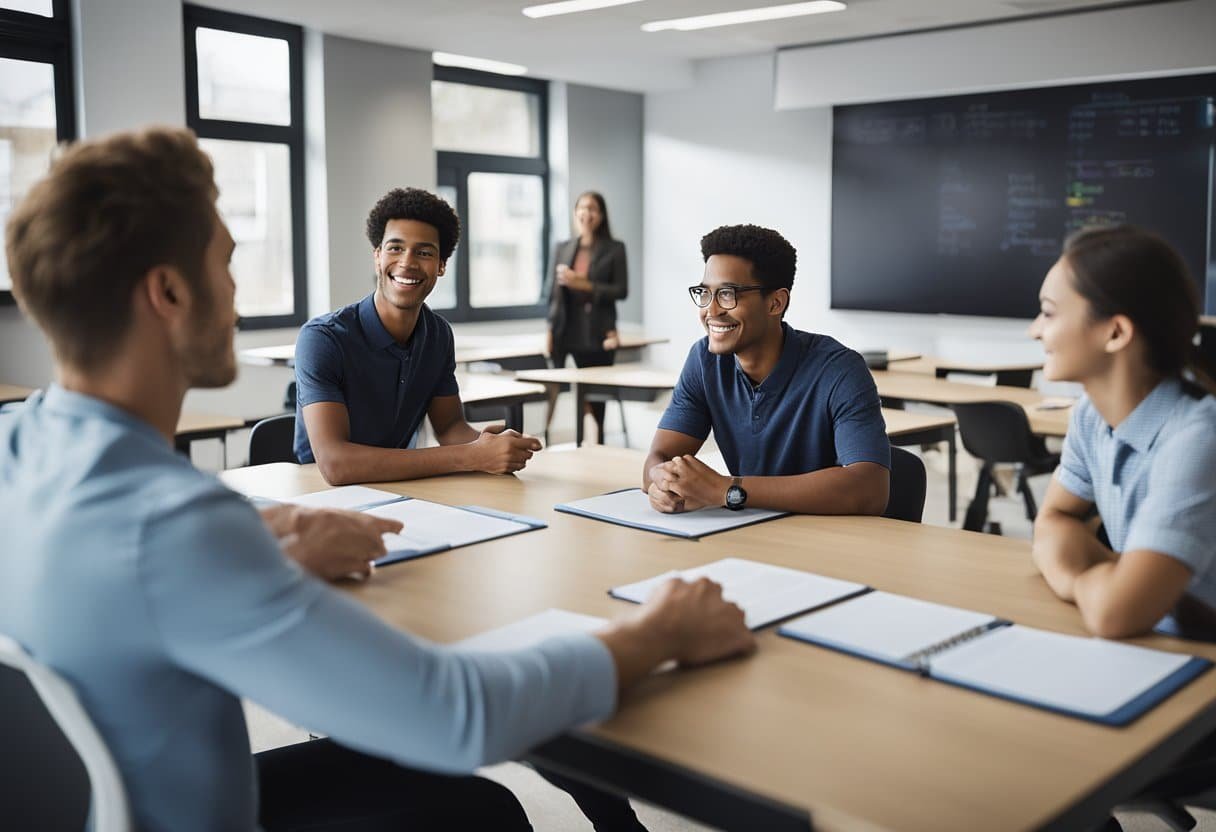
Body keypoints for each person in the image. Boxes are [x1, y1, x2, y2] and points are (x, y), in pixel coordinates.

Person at [0, 127, 756, 831]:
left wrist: (265, 537)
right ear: (168, 293)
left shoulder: (20, 446)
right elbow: (459, 714)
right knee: (484, 811)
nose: (236, 296)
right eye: (227, 263)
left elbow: (133, 569)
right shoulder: (178, 530)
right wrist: (658, 631)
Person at [1029, 225, 1216, 639]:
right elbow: (1052, 521)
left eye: (1049, 312)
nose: (1035, 330)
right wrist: (1107, 578)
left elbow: (1115, 615)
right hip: (1160, 646)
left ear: (1115, 333)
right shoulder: (1091, 417)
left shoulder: (1198, 440)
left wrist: (1080, 579)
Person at [295, 187, 543, 484]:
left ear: (441, 266)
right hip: (315, 496)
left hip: (397, 489)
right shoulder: (322, 339)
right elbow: (336, 464)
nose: (408, 262)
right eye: (395, 248)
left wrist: (488, 445)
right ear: (377, 256)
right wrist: (470, 456)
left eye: (424, 252)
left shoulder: (438, 335)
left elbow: (450, 427)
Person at [643, 224, 890, 516]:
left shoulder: (840, 370)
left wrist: (727, 490)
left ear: (776, 303)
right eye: (705, 293)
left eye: (727, 294)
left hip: (831, 544)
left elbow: (870, 489)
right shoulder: (704, 361)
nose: (710, 311)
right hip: (748, 533)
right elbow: (657, 459)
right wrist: (661, 482)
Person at [545, 191, 628, 442]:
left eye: (592, 208)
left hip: (597, 331)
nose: (586, 213)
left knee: (595, 392)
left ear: (601, 216)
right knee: (556, 387)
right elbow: (552, 293)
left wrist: (586, 285)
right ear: (575, 213)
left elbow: (621, 290)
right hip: (564, 329)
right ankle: (551, 437)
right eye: (581, 207)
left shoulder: (615, 249)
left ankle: (597, 438)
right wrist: (548, 330)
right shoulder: (562, 247)